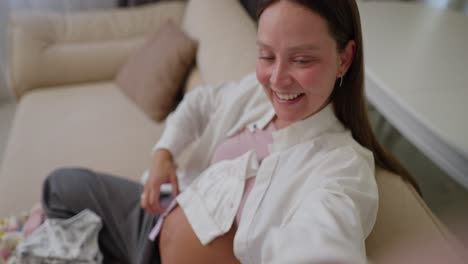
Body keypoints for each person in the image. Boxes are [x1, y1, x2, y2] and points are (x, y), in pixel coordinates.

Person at [39, 0, 417, 263]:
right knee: (60, 185)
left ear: (344, 59)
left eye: (302, 59)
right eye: (266, 55)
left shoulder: (340, 168)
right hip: (153, 222)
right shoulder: (256, 95)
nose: (278, 78)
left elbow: (323, 241)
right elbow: (199, 103)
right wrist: (164, 152)